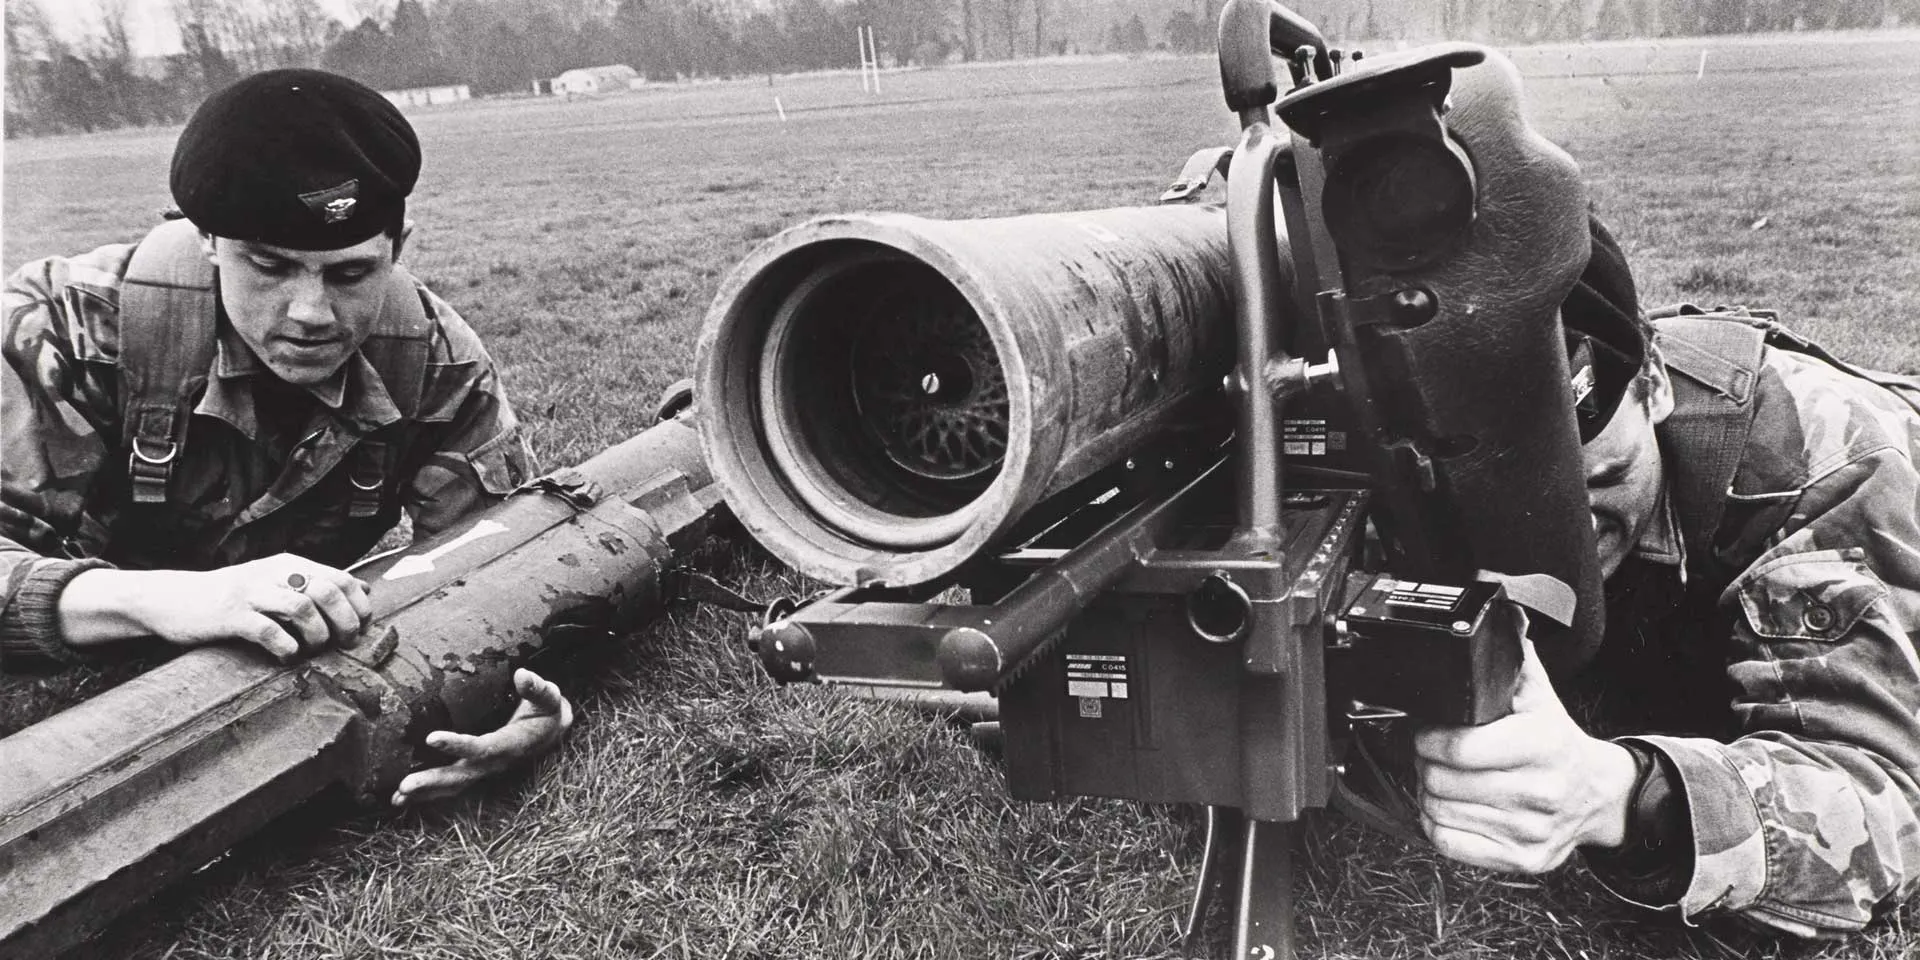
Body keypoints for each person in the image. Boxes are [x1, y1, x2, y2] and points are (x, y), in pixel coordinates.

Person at [0, 68, 572, 807]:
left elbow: (502, 560)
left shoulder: (431, 359)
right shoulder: (66, 326)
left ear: (399, 245)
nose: (310, 312)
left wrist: (528, 705)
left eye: (351, 273)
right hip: (93, 619)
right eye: (268, 266)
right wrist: (169, 601)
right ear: (207, 238)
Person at [1412, 217, 1920, 936]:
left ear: (1652, 385)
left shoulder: (1818, 473)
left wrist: (1619, 797)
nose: (1563, 534)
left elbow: (1883, 802)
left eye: (1601, 481)